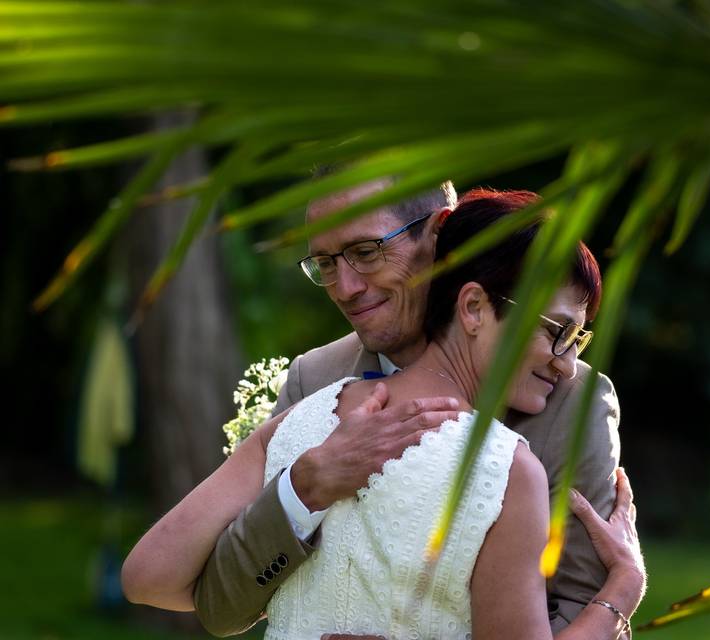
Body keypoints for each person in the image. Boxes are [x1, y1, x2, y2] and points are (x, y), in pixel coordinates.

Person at [121, 181, 644, 634]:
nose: (345, 288)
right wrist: (304, 487)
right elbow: (224, 603)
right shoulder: (314, 383)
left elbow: (575, 599)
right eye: (325, 264)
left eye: (367, 251)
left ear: (437, 235)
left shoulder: (569, 401)